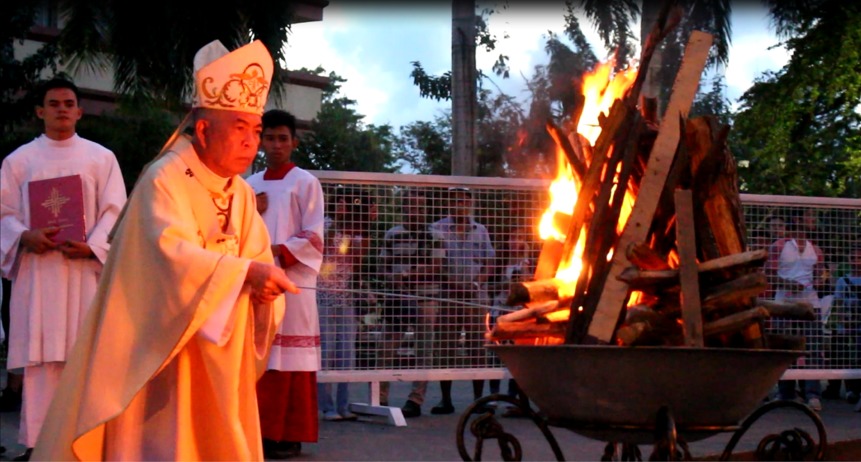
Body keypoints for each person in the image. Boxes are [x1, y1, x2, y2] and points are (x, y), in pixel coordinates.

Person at [31, 39, 299, 460]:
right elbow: (165, 257)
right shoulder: (165, 178)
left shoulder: (242, 194)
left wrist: (262, 290)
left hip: (219, 352)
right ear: (205, 129)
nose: (252, 142)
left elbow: (257, 258)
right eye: (240, 128)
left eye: (256, 130)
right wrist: (245, 275)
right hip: (159, 352)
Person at [0, 77, 127, 460]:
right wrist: (24, 236)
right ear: (40, 111)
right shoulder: (19, 160)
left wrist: (93, 245)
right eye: (53, 103)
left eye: (68, 103)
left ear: (79, 111)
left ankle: (80, 444)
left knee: (82, 358)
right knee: (41, 363)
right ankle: (40, 445)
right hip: (39, 274)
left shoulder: (100, 158)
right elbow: (2, 212)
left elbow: (115, 210)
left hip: (81, 270)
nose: (61, 109)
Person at [245, 109, 325, 459]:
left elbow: (313, 234)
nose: (275, 145)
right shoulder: (247, 185)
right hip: (257, 282)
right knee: (261, 357)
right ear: (260, 140)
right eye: (269, 137)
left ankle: (290, 433)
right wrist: (250, 207)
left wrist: (276, 252)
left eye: (282, 138)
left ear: (294, 142)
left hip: (293, 282)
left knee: (291, 359)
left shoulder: (305, 182)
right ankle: (259, 432)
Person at [378, 189, 446, 418]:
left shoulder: (435, 235)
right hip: (397, 297)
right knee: (387, 346)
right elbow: (383, 265)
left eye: (420, 206)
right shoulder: (392, 234)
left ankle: (415, 400)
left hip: (426, 298)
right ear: (404, 207)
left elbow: (436, 266)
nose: (415, 210)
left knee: (424, 348)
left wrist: (409, 276)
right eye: (411, 205)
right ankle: (380, 396)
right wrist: (393, 278)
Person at [429, 187, 496, 414]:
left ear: (470, 204)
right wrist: (452, 284)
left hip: (476, 298)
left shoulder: (481, 230)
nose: (460, 204)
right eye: (455, 200)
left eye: (464, 201)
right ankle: (445, 400)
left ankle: (479, 399)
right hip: (448, 296)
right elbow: (434, 263)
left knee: (478, 346)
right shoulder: (437, 229)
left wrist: (476, 284)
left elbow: (489, 262)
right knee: (446, 346)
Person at [317, 188, 377, 422]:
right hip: (322, 294)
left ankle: (343, 404)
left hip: (346, 296)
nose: (346, 205)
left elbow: (359, 257)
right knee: (326, 351)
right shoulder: (323, 223)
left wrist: (367, 224)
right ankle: (326, 405)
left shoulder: (357, 228)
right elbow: (324, 249)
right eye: (341, 201)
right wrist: (339, 221)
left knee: (346, 353)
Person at [765, 207, 829, 411]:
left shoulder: (816, 249)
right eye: (810, 215)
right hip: (784, 306)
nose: (813, 219)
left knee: (813, 350)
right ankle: (786, 393)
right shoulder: (779, 246)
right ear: (798, 218)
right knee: (784, 350)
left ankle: (812, 395)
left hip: (811, 306)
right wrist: (787, 284)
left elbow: (820, 276)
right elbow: (768, 275)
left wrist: (820, 280)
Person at [822, 246, 861, 409]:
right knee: (840, 354)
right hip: (845, 323)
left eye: (858, 258)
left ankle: (855, 389)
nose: (856, 262)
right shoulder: (842, 280)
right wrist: (842, 320)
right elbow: (838, 302)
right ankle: (840, 387)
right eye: (853, 258)